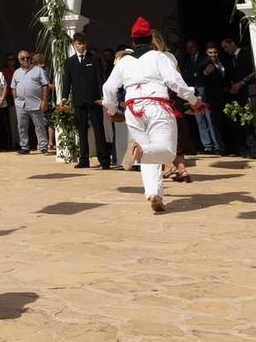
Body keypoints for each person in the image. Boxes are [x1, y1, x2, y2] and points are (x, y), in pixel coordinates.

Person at [103, 18, 200, 213]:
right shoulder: (159, 57)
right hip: (157, 106)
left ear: (132, 42)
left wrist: (112, 110)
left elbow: (108, 87)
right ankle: (144, 152)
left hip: (132, 110)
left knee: (149, 156)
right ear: (150, 39)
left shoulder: (124, 62)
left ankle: (154, 194)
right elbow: (175, 82)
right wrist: (193, 100)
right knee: (167, 152)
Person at [65, 32, 111, 169]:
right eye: (79, 43)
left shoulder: (94, 59)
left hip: (94, 99)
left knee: (99, 129)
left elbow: (99, 79)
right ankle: (84, 159)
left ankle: (104, 160)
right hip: (79, 100)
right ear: (74, 44)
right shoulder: (70, 62)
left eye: (83, 43)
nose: (81, 46)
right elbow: (67, 82)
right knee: (82, 130)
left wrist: (102, 96)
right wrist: (64, 97)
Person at [220, 34, 256, 156]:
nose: (226, 50)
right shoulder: (230, 59)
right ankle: (246, 147)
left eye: (226, 47)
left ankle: (255, 148)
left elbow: (255, 71)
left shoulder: (246, 55)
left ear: (233, 44)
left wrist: (242, 83)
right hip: (238, 94)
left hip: (250, 91)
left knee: (252, 121)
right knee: (243, 121)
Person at [10, 50, 48, 155]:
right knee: (22, 126)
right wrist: (15, 99)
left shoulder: (38, 70)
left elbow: (45, 85)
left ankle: (43, 146)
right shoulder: (16, 72)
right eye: (23, 58)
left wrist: (44, 100)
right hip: (20, 104)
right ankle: (24, 147)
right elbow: (13, 86)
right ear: (19, 60)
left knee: (39, 125)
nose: (26, 60)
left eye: (27, 57)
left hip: (35, 102)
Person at [194, 43, 228, 155]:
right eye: (210, 53)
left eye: (215, 52)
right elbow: (199, 79)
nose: (213, 55)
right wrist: (206, 72)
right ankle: (213, 146)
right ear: (206, 53)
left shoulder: (221, 61)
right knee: (209, 121)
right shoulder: (204, 63)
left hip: (219, 96)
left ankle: (215, 145)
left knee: (216, 121)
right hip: (207, 96)